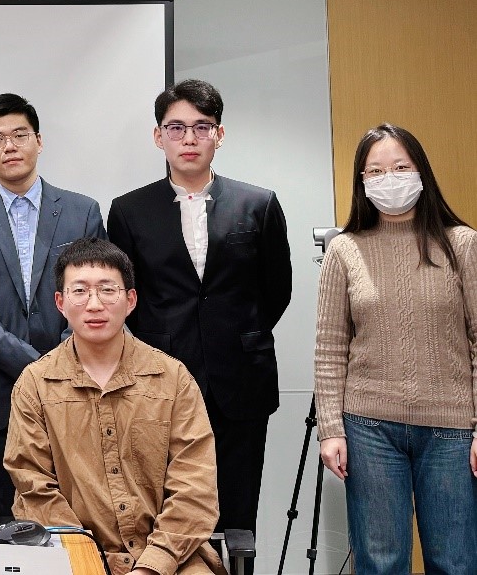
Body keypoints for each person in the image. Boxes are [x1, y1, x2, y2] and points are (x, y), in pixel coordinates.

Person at [107, 79, 290, 549]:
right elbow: (127, 298)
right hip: (159, 381)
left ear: (219, 134)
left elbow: (276, 291)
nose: (189, 139)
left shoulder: (259, 203)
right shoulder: (128, 211)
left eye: (202, 127)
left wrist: (235, 335)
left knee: (237, 518)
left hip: (241, 381)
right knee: (165, 514)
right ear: (159, 136)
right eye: (176, 128)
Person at [5, 237, 223, 575]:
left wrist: (151, 566)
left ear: (130, 300)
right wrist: (86, 561)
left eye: (108, 290)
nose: (94, 305)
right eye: (80, 291)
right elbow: (34, 490)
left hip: (172, 559)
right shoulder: (35, 384)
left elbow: (195, 488)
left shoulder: (172, 379)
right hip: (75, 560)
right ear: (60, 302)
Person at [314, 123, 476, 574]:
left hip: (452, 429)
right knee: (379, 562)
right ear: (362, 182)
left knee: (455, 561)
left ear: (421, 172)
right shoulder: (344, 250)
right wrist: (330, 429)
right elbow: (330, 347)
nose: (390, 179)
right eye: (376, 171)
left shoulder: (462, 243)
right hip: (368, 428)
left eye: (401, 168)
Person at [0, 93, 105, 522]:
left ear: (39, 140)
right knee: (7, 517)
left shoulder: (82, 211)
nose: (10, 146)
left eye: (20, 135)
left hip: (76, 388)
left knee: (79, 515)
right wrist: (37, 367)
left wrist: (61, 363)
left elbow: (96, 295)